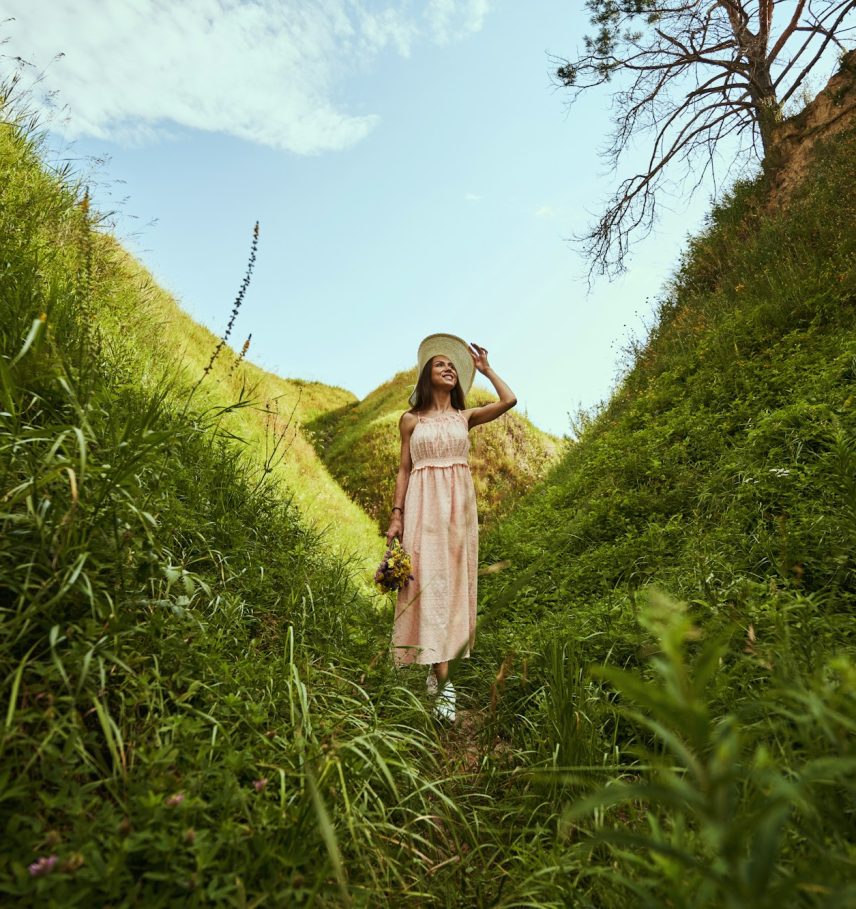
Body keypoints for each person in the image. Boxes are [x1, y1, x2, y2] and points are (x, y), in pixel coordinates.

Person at [386, 333, 517, 721]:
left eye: (452, 366)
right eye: (440, 364)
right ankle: (441, 678)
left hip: (458, 509)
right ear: (427, 374)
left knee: (451, 586)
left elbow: (509, 401)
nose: (448, 369)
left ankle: (441, 674)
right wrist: (396, 515)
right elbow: (404, 468)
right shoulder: (410, 420)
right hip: (422, 506)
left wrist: (486, 369)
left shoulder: (465, 417)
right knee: (427, 585)